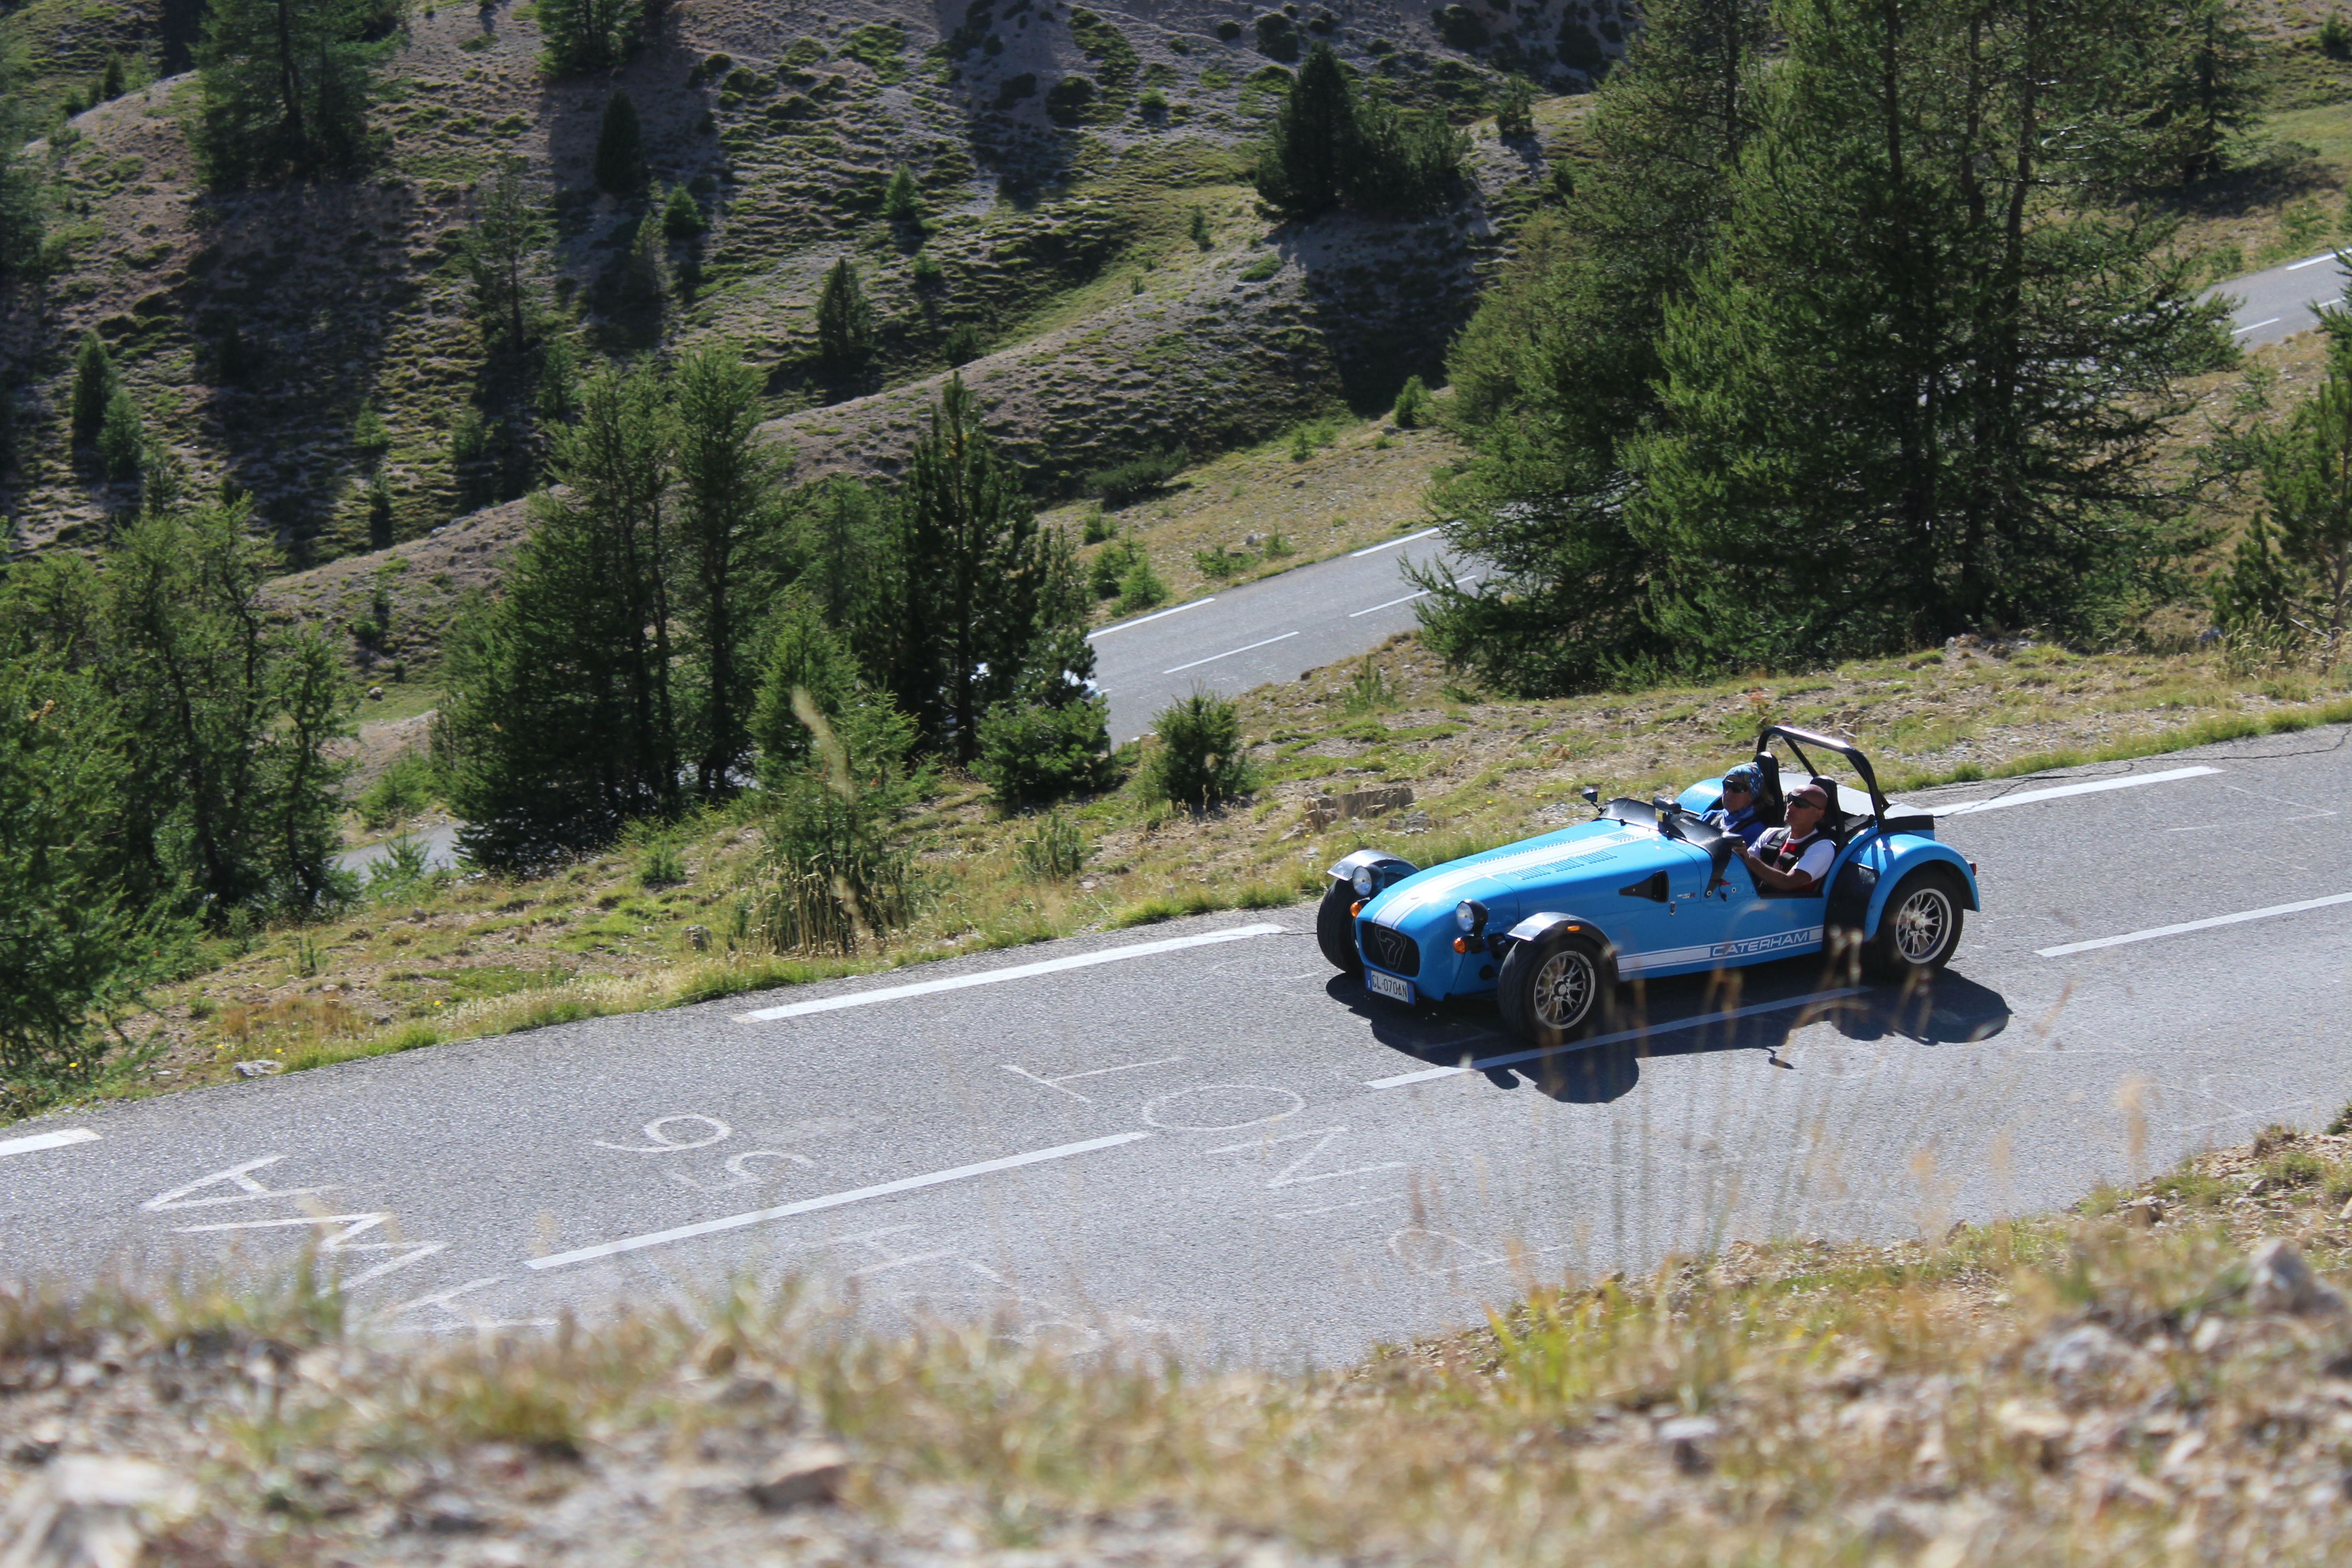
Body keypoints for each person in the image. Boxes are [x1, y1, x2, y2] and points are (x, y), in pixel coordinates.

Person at [1735, 783, 1835, 892]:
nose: (1790, 806)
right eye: (1790, 799)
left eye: (1800, 804)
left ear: (1819, 815)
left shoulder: (1822, 849)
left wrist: (1748, 858)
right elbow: (1741, 866)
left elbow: (1788, 882)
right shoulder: (1772, 834)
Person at [1705, 763, 1770, 847]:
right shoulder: (1711, 816)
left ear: (1752, 795)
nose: (1728, 793)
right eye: (1727, 785)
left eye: (1738, 788)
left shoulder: (1754, 830)